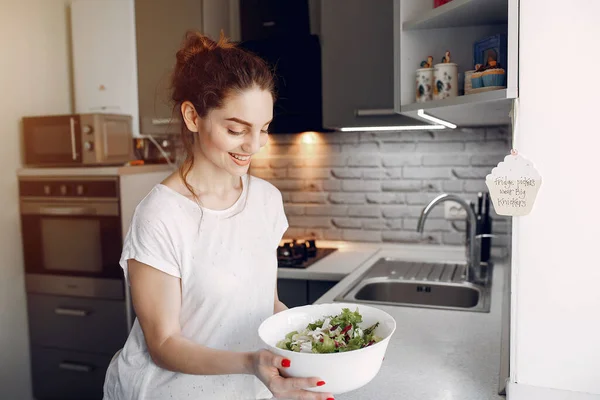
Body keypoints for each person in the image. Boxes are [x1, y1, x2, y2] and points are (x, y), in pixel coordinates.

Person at [102, 31, 334, 400]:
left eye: (264, 129)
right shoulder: (160, 216)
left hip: (247, 389)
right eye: (236, 130)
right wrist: (250, 363)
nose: (254, 145)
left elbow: (265, 302)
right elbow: (163, 343)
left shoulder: (266, 200)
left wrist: (304, 348)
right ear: (193, 116)